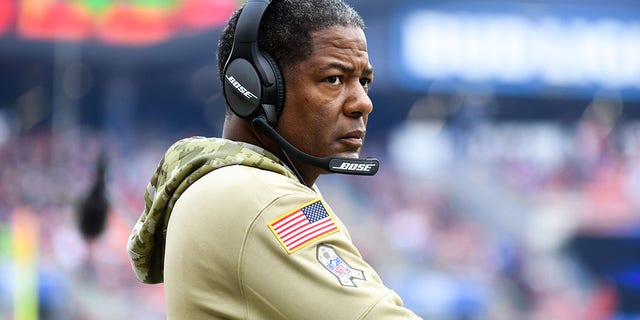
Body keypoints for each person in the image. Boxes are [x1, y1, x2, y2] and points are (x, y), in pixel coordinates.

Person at [127, 0, 422, 319]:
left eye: (364, 82)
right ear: (255, 88)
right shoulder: (255, 195)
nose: (363, 103)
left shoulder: (236, 186)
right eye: (334, 79)